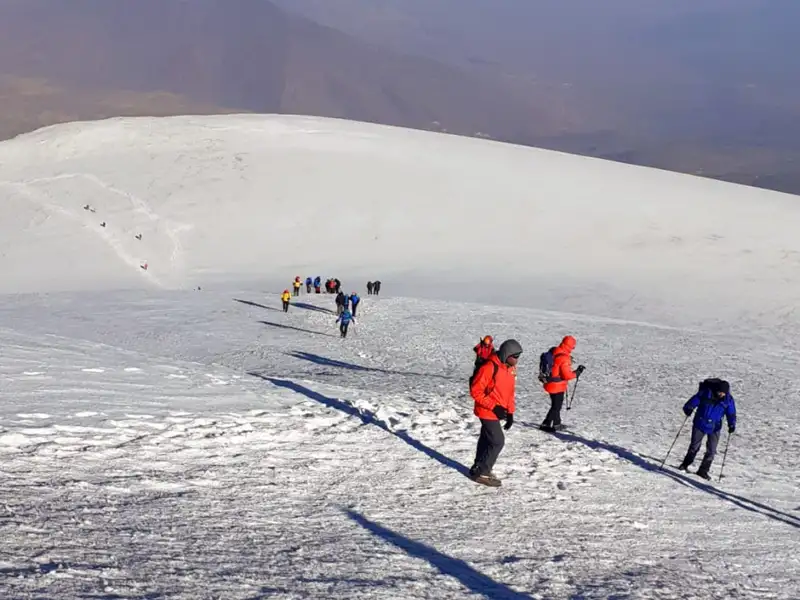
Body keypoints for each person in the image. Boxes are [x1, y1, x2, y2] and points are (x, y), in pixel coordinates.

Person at [469, 339, 522, 487]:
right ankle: (483, 472)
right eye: (515, 356)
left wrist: (510, 412)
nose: (517, 360)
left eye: (518, 356)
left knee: (487, 439)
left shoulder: (510, 368)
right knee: (498, 441)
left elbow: (510, 392)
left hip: (497, 411)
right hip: (486, 410)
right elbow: (475, 391)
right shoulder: (489, 367)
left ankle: (478, 467)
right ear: (507, 354)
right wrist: (494, 407)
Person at [678, 378, 737, 479]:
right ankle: (685, 465)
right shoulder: (706, 393)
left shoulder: (728, 400)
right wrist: (688, 408)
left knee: (712, 450)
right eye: (720, 392)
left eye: (724, 393)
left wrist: (732, 424)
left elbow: (731, 413)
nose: (722, 394)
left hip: (715, 427)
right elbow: (693, 401)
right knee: (694, 446)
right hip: (700, 423)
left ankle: (703, 471)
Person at [539, 335, 585, 433]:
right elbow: (567, 375)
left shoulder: (554, 350)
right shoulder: (564, 357)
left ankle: (556, 423)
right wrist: (577, 372)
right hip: (557, 386)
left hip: (549, 382)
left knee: (555, 405)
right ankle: (546, 424)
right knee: (556, 406)